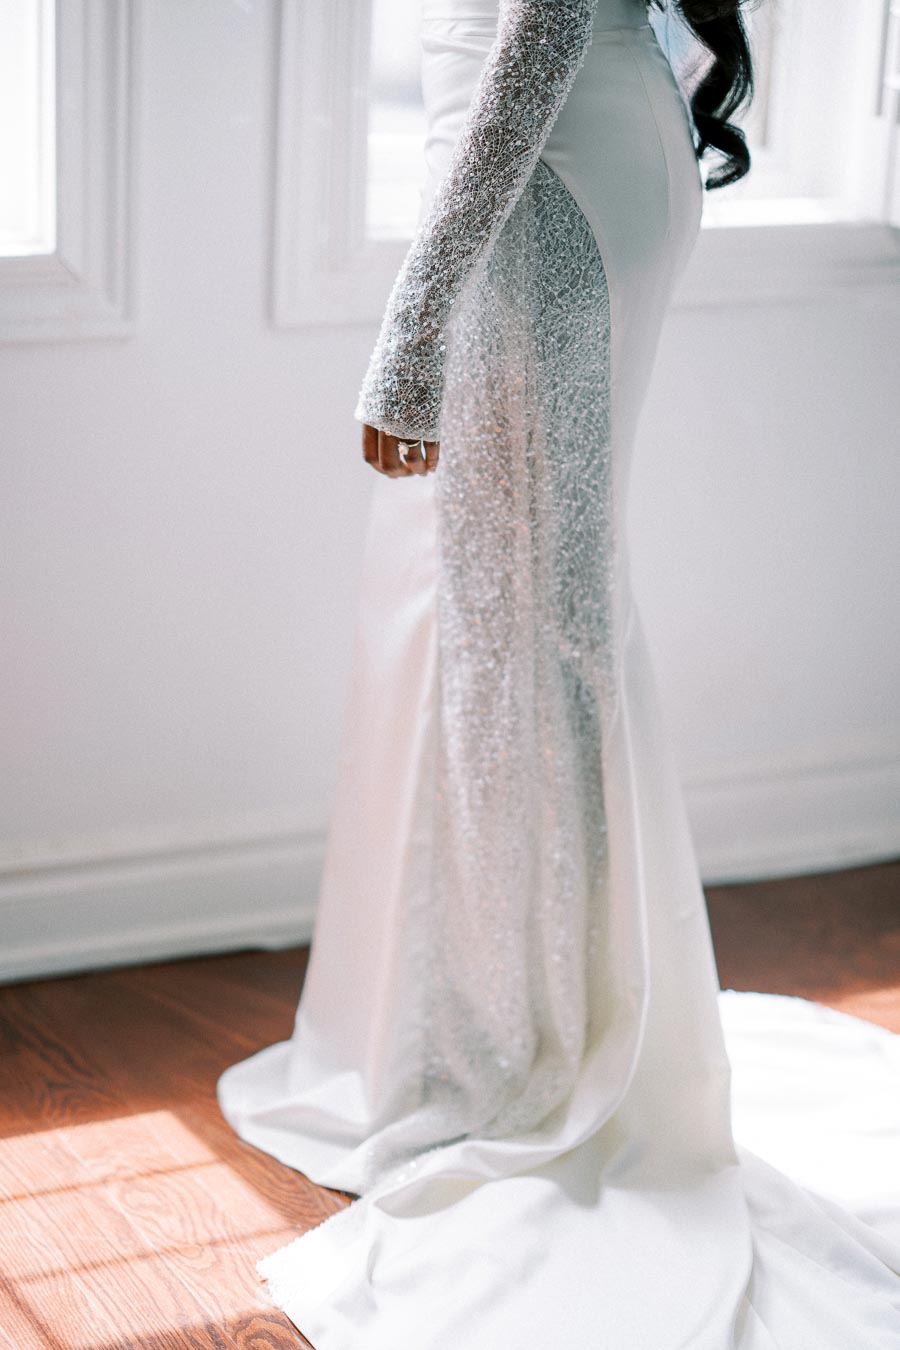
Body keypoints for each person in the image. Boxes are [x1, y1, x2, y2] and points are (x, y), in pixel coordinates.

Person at [218, 1, 900, 1344]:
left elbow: (533, 26)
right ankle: (530, 1024)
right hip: (586, 144)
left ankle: (519, 1061)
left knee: (512, 623)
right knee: (534, 615)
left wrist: (413, 330)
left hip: (538, 171)